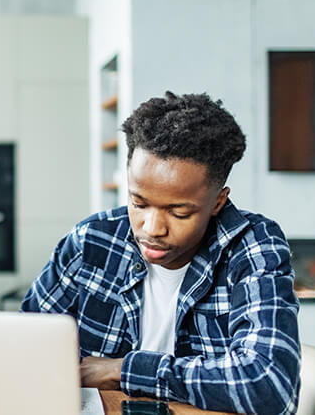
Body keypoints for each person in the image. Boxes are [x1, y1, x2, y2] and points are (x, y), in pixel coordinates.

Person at [22, 92, 300, 414]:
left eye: (179, 212)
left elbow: (269, 384)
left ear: (218, 203)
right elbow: (27, 346)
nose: (152, 228)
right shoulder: (91, 241)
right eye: (138, 203)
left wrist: (122, 369)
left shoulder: (252, 245)